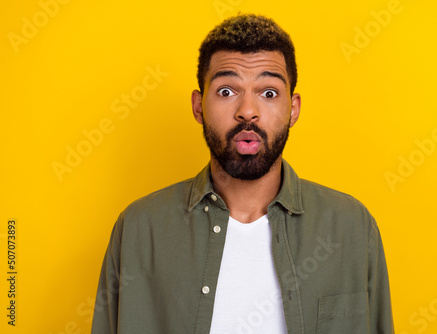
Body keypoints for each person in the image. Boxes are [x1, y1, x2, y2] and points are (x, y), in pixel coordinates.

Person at [91, 13, 394, 334]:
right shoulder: (139, 229)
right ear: (198, 106)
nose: (247, 111)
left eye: (268, 93)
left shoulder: (351, 227)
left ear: (293, 109)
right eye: (226, 91)